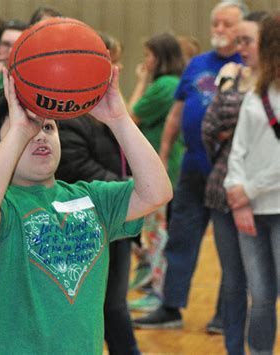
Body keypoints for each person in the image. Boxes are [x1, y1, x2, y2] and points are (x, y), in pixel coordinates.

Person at [0, 59, 172, 352]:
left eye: (48, 126)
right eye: (28, 128)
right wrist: (20, 130)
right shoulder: (3, 207)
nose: (40, 134)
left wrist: (119, 118)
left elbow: (157, 192)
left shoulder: (92, 198)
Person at [133, 0, 246, 331]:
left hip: (229, 171)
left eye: (227, 24)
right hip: (193, 167)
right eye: (216, 24)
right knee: (181, 238)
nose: (219, 31)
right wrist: (164, 152)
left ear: (243, 28)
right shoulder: (197, 64)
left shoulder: (250, 65)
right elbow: (177, 112)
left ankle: (226, 315)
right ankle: (170, 307)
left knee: (229, 247)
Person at [55, 32, 140, 354]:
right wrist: (126, 191)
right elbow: (77, 165)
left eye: (116, 62)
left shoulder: (104, 112)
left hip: (114, 217)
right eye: (108, 62)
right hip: (87, 222)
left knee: (114, 303)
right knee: (109, 305)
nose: (114, 71)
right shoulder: (70, 115)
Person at [202, 11, 268, 355]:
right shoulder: (231, 75)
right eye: (237, 40)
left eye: (246, 40)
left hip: (265, 198)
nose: (239, 47)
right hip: (223, 191)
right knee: (232, 282)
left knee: (263, 287)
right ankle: (233, 351)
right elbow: (209, 127)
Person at [224, 12, 280, 355]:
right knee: (260, 296)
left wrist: (249, 189)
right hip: (249, 209)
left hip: (273, 205)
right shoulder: (258, 91)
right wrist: (237, 194)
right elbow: (237, 149)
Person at [127, 32, 185, 312]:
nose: (146, 60)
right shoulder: (170, 83)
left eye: (149, 55)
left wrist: (140, 82)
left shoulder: (164, 85)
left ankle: (158, 292)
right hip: (165, 169)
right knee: (155, 234)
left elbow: (130, 115)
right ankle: (153, 286)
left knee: (157, 235)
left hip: (162, 170)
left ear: (160, 57)